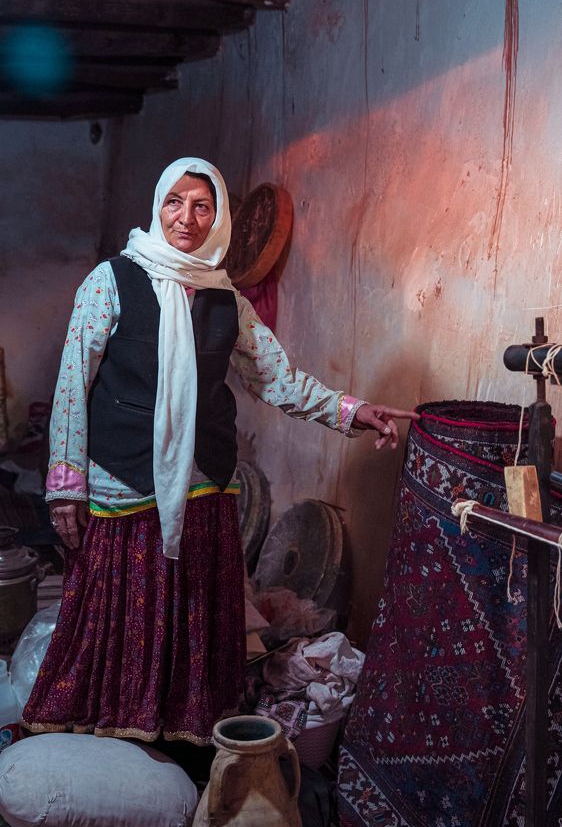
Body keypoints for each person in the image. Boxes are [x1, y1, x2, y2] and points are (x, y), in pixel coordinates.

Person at [22, 157, 418, 746]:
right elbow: (72, 384)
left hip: (205, 481)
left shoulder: (226, 299)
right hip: (122, 480)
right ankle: (113, 734)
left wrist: (352, 411)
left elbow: (278, 379)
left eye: (202, 206)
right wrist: (65, 488)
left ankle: (184, 736)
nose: (187, 217)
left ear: (218, 218)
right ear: (158, 208)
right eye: (175, 202)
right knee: (121, 616)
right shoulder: (111, 281)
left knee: (194, 617)